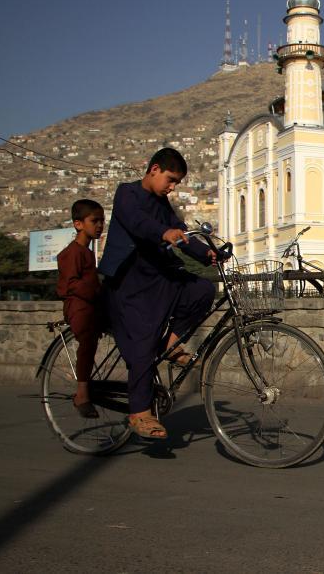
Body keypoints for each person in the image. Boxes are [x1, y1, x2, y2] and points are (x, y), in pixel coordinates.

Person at [98, 148, 215, 440]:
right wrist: (163, 233)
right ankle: (139, 412)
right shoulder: (126, 194)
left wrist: (207, 254)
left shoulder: (164, 206)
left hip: (160, 277)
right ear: (154, 170)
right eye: (171, 179)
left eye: (177, 183)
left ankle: (170, 345)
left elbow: (181, 234)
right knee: (143, 343)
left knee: (202, 289)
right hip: (129, 283)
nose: (173, 187)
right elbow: (139, 223)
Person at [56, 199, 105, 418]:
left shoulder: (86, 252)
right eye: (94, 221)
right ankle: (82, 392)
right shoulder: (73, 252)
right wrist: (94, 290)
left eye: (102, 221)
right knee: (86, 344)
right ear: (78, 224)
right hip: (79, 306)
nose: (99, 225)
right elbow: (69, 285)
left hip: (90, 304)